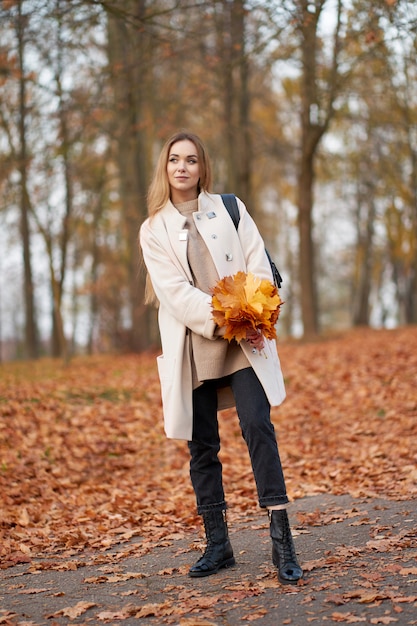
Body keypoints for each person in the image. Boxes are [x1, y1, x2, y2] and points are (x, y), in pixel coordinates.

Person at [139, 131, 302, 584]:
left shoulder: (230, 208)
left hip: (243, 338)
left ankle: (282, 541)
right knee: (202, 447)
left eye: (191, 160)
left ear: (201, 167)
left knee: (257, 426)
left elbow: (257, 262)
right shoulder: (153, 229)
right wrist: (220, 317)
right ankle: (218, 545)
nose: (182, 167)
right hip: (195, 344)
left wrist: (247, 309)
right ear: (165, 167)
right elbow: (173, 293)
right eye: (174, 159)